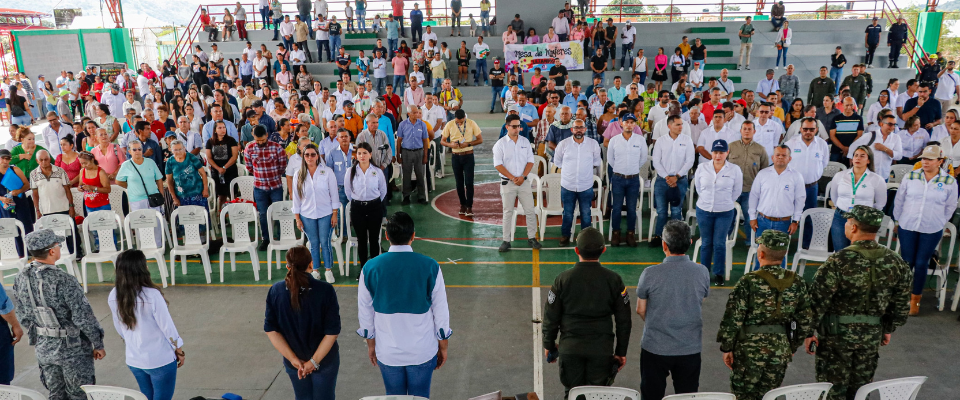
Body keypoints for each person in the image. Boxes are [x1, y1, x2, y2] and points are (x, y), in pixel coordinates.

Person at [804, 205, 910, 400]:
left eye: (847, 221)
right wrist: (887, 328)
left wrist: (809, 332)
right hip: (870, 337)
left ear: (853, 228)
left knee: (832, 391)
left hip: (836, 338)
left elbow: (816, 302)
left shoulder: (838, 261)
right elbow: (901, 305)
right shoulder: (896, 262)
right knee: (860, 391)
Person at [357, 212, 451, 398]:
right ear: (413, 236)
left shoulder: (370, 267)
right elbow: (440, 310)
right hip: (422, 351)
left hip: (388, 351)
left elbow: (365, 312)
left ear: (386, 236)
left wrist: (371, 344)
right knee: (420, 396)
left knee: (393, 397)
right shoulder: (430, 266)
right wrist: (443, 346)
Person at [718, 229, 812, 400]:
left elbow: (733, 319)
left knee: (744, 396)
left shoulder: (748, 282)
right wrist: (791, 346)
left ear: (760, 254)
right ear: (783, 256)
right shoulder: (796, 281)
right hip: (780, 349)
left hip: (748, 351)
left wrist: (727, 347)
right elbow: (805, 320)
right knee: (770, 395)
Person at [13, 229, 106, 400]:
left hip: (44, 348)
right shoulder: (64, 280)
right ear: (52, 251)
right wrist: (97, 343)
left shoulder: (21, 278)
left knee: (55, 394)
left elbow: (23, 314)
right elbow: (83, 317)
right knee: (78, 394)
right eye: (58, 245)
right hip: (73, 351)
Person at [542, 227, 631, 398]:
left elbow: (551, 316)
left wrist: (549, 344)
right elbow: (624, 320)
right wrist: (621, 351)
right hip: (601, 350)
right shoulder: (614, 280)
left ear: (576, 250)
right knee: (597, 395)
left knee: (572, 393)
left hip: (571, 348)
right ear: (603, 250)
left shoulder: (562, 279)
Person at [636, 220, 709, 400]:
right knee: (687, 396)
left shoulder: (650, 273)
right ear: (690, 243)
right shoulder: (702, 272)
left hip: (655, 346)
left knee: (651, 395)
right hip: (689, 347)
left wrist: (658, 322)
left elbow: (640, 309)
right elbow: (701, 299)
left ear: (664, 245)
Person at [264, 245, 341, 400]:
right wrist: (313, 362)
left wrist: (294, 360)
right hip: (324, 361)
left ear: (287, 266)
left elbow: (271, 330)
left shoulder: (276, 291)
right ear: (311, 264)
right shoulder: (325, 290)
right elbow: (332, 332)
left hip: (294, 362)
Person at [108, 250, 185, 400]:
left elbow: (119, 327)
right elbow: (167, 327)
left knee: (146, 397)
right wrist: (179, 351)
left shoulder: (114, 295)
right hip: (160, 360)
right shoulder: (152, 295)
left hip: (134, 360)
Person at [893, 144, 958, 315]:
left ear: (940, 161)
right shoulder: (910, 177)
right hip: (908, 225)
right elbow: (899, 200)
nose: (925, 162)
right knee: (907, 262)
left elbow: (950, 207)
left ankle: (915, 300)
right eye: (923, 158)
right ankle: (902, 297)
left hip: (931, 228)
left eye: (929, 159)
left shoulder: (949, 181)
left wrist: (939, 221)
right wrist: (898, 220)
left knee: (921, 263)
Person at [694, 139, 743, 285]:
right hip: (704, 210)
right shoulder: (702, 168)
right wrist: (708, 200)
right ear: (712, 153)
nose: (718, 156)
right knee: (706, 242)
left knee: (720, 243)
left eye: (721, 152)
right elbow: (698, 187)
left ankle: (719, 274)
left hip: (725, 212)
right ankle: (704, 273)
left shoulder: (734, 170)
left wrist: (724, 202)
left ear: (727, 153)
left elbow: (737, 191)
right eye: (715, 152)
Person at [292, 143, 341, 284]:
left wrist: (334, 213)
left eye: (313, 154)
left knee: (325, 242)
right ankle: (315, 270)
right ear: (303, 156)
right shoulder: (298, 174)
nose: (310, 157)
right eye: (307, 154)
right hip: (307, 215)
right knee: (313, 243)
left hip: (326, 213)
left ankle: (328, 270)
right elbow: (296, 198)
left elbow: (334, 195)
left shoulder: (327, 172)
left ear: (318, 156)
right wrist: (297, 218)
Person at [494, 114, 541, 252]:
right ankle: (506, 240)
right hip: (507, 183)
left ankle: (532, 237)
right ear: (507, 127)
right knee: (508, 212)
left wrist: (522, 176)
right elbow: (498, 165)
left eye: (519, 126)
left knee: (530, 210)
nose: (517, 129)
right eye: (514, 126)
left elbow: (530, 161)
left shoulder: (525, 142)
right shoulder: (500, 144)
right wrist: (514, 177)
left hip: (524, 182)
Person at [553, 118, 602, 247]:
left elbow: (597, 162)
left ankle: (585, 240)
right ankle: (565, 236)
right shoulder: (563, 144)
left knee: (586, 213)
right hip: (568, 185)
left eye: (581, 127)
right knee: (567, 213)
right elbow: (557, 162)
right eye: (576, 128)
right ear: (572, 130)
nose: (579, 130)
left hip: (585, 185)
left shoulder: (593, 144)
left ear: (585, 129)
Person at [829, 146, 886, 251]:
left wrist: (865, 213)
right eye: (856, 155)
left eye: (862, 156)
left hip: (863, 221)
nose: (858, 158)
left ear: (868, 160)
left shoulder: (876, 179)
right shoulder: (840, 176)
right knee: (841, 252)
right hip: (841, 218)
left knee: (860, 253)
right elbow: (834, 197)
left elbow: (880, 203)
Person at [649, 115, 695, 246]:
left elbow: (690, 160)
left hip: (680, 180)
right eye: (678, 125)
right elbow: (656, 161)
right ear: (669, 126)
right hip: (662, 181)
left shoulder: (687, 140)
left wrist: (677, 176)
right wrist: (667, 177)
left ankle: (676, 239)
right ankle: (659, 236)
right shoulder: (661, 141)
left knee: (676, 211)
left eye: (681, 124)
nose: (681, 127)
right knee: (661, 211)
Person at [607, 113, 648, 247]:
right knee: (616, 208)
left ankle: (630, 233)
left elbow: (643, 158)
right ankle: (616, 233)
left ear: (635, 124)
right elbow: (610, 160)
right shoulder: (614, 140)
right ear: (621, 123)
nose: (629, 125)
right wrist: (620, 170)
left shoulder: (640, 140)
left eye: (632, 122)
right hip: (618, 178)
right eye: (627, 122)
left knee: (631, 208)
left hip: (633, 179)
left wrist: (632, 169)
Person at [245, 125, 288, 251]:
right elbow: (249, 167)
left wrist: (272, 176)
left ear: (267, 135)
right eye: (258, 140)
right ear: (254, 137)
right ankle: (266, 238)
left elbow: (282, 166)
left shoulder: (277, 148)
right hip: (259, 187)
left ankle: (281, 237)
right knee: (263, 214)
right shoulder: (249, 148)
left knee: (279, 212)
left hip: (276, 186)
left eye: (262, 140)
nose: (260, 143)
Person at [344, 142, 387, 267]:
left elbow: (382, 190)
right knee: (361, 240)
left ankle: (374, 268)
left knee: (374, 240)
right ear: (356, 155)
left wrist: (373, 201)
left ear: (370, 154)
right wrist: (358, 202)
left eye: (364, 153)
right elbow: (348, 191)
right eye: (359, 153)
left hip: (375, 207)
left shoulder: (377, 171)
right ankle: (364, 268)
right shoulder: (350, 172)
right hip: (358, 208)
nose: (362, 156)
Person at [116, 140, 166, 246]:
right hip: (137, 200)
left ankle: (158, 246)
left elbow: (159, 179)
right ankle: (144, 246)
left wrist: (161, 194)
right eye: (134, 149)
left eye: (139, 149)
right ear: (129, 151)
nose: (137, 151)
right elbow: (118, 181)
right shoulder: (126, 165)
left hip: (153, 198)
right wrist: (130, 187)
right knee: (141, 224)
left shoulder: (150, 162)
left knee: (156, 223)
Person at [440, 110, 481, 216]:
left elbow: (480, 140)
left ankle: (469, 206)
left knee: (469, 182)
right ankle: (462, 204)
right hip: (456, 157)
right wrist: (451, 145)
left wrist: (468, 144)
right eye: (458, 121)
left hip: (468, 156)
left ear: (465, 118)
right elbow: (442, 141)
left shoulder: (471, 123)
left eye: (461, 121)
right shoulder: (449, 124)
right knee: (459, 183)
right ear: (455, 118)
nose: (459, 123)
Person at [29, 149, 75, 222]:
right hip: (46, 211)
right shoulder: (33, 174)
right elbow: (35, 194)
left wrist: (71, 206)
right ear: (37, 161)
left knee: (70, 232)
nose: (44, 162)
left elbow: (67, 190)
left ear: (50, 159)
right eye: (41, 160)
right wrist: (37, 210)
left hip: (64, 208)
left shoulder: (60, 171)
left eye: (46, 159)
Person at [396, 105, 429, 205]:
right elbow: (399, 140)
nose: (417, 114)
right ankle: (406, 197)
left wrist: (425, 155)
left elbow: (425, 141)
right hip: (406, 152)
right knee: (406, 175)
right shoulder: (402, 125)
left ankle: (421, 197)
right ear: (409, 114)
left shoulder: (422, 125)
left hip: (419, 152)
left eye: (418, 112)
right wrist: (398, 155)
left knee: (420, 174)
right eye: (414, 112)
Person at [828, 97, 864, 164]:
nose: (849, 107)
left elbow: (859, 135)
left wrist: (850, 148)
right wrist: (843, 148)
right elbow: (832, 136)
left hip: (853, 150)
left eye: (851, 105)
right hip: (836, 150)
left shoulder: (859, 119)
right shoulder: (836, 119)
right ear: (843, 105)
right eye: (847, 105)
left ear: (854, 105)